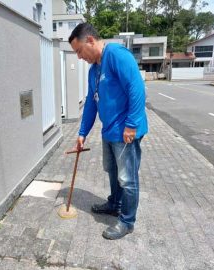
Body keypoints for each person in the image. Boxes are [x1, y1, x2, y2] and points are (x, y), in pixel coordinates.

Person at [68, 23, 148, 240]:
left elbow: (137, 88)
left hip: (125, 132)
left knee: (127, 179)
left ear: (91, 41)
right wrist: (83, 132)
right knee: (112, 171)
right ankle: (114, 204)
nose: (79, 57)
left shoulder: (117, 55)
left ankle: (127, 221)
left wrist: (131, 124)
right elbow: (91, 103)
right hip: (109, 131)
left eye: (79, 51)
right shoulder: (94, 70)